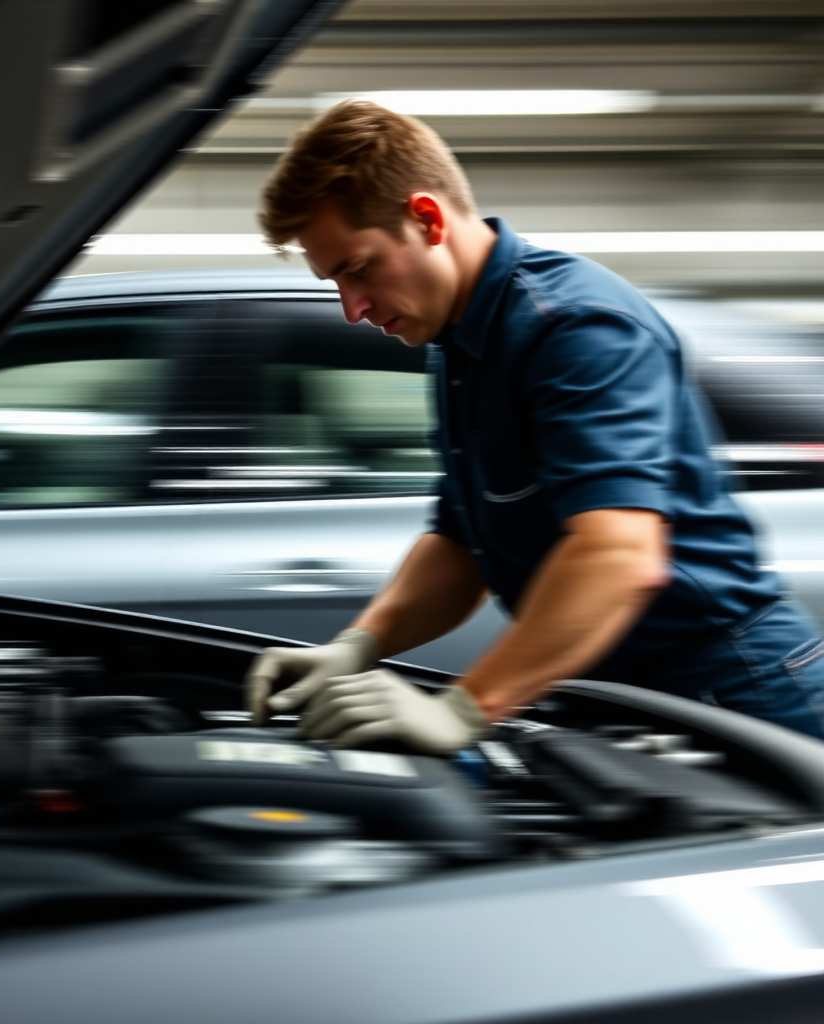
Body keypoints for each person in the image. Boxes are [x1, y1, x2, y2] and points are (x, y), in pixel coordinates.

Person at [246, 100, 824, 752]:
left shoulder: (574, 327)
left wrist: (463, 711)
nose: (352, 309)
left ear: (427, 219)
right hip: (626, 689)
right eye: (335, 283)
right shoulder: (460, 344)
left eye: (358, 269)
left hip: (739, 687)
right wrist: (356, 646)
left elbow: (618, 555)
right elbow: (462, 541)